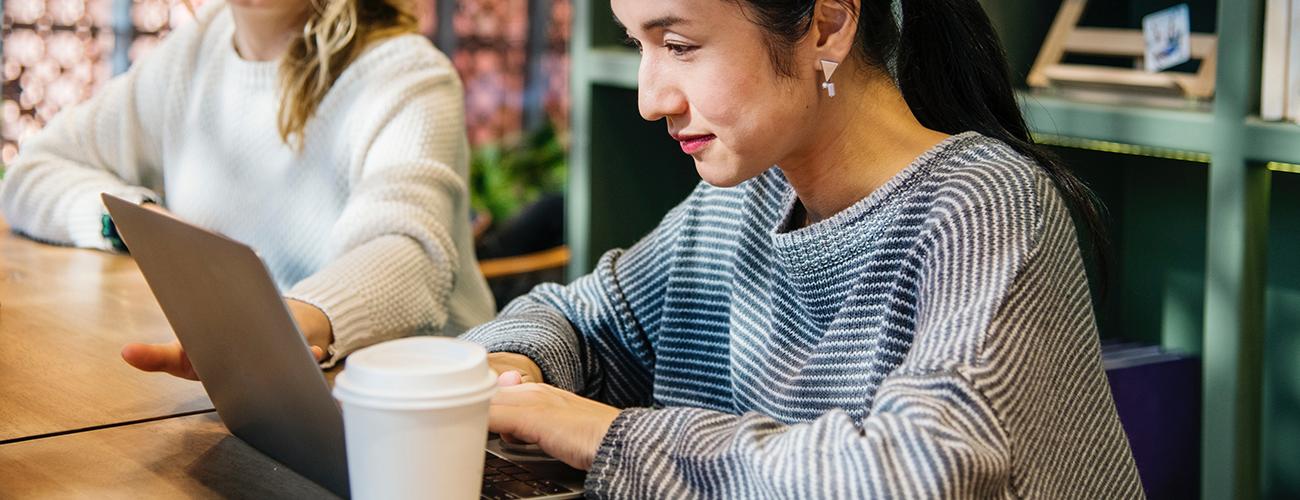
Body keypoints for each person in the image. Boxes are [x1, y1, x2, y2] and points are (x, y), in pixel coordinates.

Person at [467, 0, 1142, 497]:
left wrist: (605, 436)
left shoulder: (984, 206)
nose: (651, 99)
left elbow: (924, 471)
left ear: (827, 25)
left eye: (678, 45)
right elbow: (583, 322)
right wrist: (508, 365)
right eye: (637, 46)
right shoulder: (743, 198)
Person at [0, 0, 495, 377]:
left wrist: (283, 325)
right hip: (255, 384)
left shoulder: (406, 73)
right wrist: (134, 222)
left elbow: (409, 256)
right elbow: (34, 170)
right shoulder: (193, 52)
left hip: (421, 405)